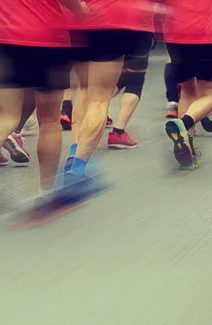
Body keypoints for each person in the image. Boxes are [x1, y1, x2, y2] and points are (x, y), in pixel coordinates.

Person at [0, 0, 88, 218]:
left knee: (6, 117)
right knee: (48, 121)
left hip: (5, 38)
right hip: (47, 39)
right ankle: (46, 195)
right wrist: (80, 9)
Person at [63, 0, 155, 197]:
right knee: (99, 98)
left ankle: (73, 155)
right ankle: (76, 170)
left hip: (76, 19)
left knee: (85, 89)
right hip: (113, 19)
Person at [163, 0, 212, 169]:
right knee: (209, 95)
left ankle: (187, 147)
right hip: (207, 34)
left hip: (175, 35)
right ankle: (183, 124)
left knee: (187, 92)